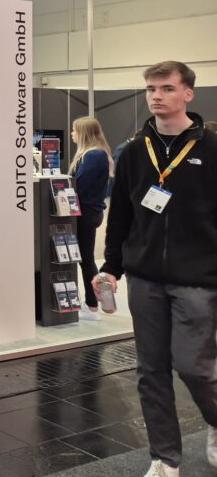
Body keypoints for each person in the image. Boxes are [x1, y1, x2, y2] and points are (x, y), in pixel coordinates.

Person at [98, 60, 217, 477]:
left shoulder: (212, 149)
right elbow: (120, 215)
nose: (156, 96)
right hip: (145, 279)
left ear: (188, 93)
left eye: (166, 88)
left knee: (194, 368)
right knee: (151, 371)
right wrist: (111, 267)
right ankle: (165, 458)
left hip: (198, 281)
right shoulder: (133, 152)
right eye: (151, 89)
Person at [68, 116, 112, 321]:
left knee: (86, 260)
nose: (72, 134)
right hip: (88, 211)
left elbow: (81, 185)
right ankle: (95, 304)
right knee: (86, 259)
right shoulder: (94, 155)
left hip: (86, 213)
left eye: (74, 130)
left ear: (83, 133)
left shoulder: (94, 156)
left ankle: (92, 305)